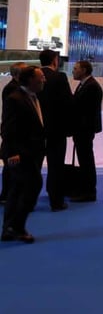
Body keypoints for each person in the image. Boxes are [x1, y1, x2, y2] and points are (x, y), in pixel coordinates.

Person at [1, 66, 46, 243]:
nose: (44, 80)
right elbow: (7, 128)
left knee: (17, 189)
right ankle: (16, 227)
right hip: (20, 153)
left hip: (30, 151)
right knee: (32, 185)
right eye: (41, 77)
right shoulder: (15, 99)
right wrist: (13, 152)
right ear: (30, 80)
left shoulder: (32, 97)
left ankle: (9, 228)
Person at [37, 49, 73, 211]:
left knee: (33, 165)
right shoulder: (60, 77)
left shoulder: (32, 75)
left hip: (36, 128)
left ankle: (28, 201)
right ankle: (56, 201)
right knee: (56, 166)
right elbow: (67, 103)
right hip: (56, 129)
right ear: (55, 60)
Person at [70, 60, 103, 202]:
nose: (73, 71)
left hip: (84, 129)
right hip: (82, 129)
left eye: (75, 68)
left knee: (86, 160)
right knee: (84, 159)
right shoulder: (85, 85)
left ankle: (89, 191)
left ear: (83, 70)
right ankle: (85, 189)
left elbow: (83, 109)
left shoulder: (91, 86)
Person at [1, 62, 26, 204]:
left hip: (13, 136)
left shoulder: (15, 87)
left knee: (11, 168)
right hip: (13, 137)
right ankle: (7, 196)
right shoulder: (13, 89)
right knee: (11, 168)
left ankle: (7, 195)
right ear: (17, 74)